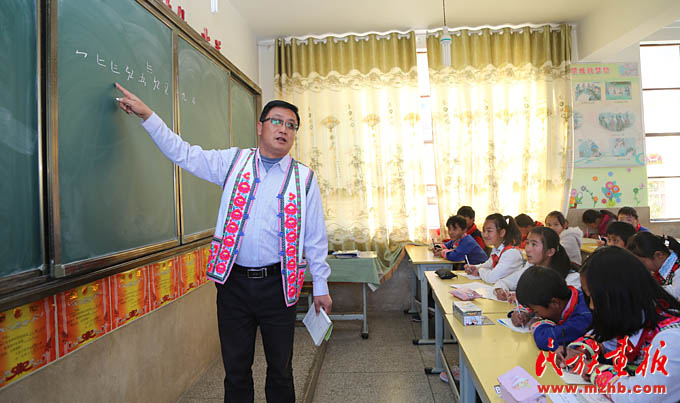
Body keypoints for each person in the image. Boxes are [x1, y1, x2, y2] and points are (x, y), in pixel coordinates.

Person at [114, 83, 332, 403]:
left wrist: (322, 285)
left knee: (281, 370)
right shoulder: (233, 162)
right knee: (236, 369)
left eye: (291, 125)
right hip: (233, 286)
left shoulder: (304, 178)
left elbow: (314, 237)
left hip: (279, 286)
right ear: (259, 127)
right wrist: (148, 116)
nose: (283, 129)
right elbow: (183, 153)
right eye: (276, 121)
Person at [558, 247, 680, 402]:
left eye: (596, 298)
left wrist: (595, 371)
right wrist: (578, 351)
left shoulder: (671, 339)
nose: (592, 306)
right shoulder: (632, 315)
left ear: (620, 294)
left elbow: (638, 396)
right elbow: (604, 340)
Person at [514, 266, 592, 351]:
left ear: (555, 303)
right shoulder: (561, 297)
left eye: (535, 312)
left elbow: (546, 339)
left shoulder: (583, 317)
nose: (536, 315)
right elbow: (536, 304)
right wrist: (523, 312)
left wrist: (536, 324)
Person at [494, 226, 576, 300]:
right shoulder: (531, 267)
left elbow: (555, 305)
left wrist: (522, 299)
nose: (527, 249)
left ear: (550, 252)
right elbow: (504, 282)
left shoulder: (571, 278)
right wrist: (501, 290)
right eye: (527, 243)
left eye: (534, 244)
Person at [464, 214, 523, 285]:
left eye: (489, 231)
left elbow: (492, 278)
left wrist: (479, 271)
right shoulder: (497, 249)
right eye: (484, 230)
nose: (485, 235)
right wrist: (475, 267)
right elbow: (489, 265)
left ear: (502, 233)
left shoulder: (511, 253)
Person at [626, 232, 680, 299]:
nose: (637, 267)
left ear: (658, 255)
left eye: (641, 262)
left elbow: (673, 294)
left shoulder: (678, 271)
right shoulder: (659, 268)